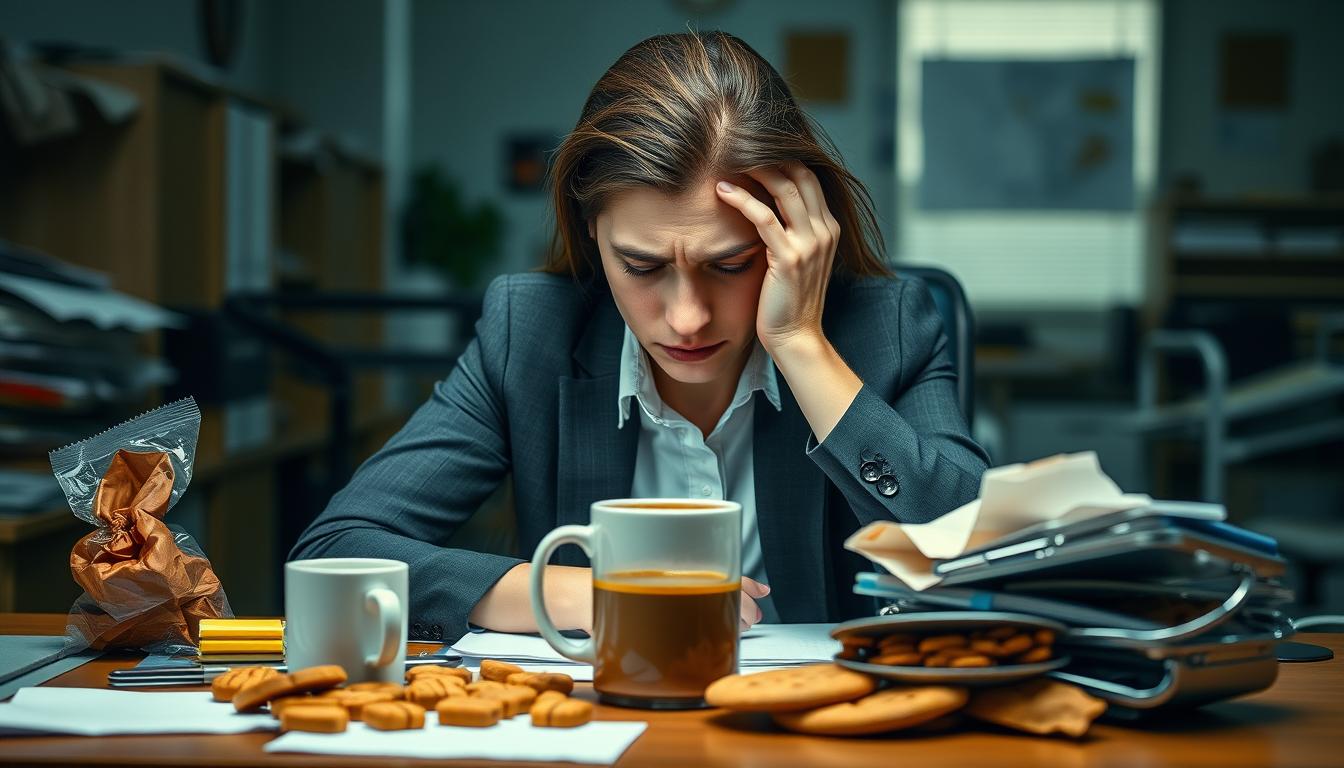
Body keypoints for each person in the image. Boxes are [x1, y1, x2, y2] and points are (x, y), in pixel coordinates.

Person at [290, 31, 990, 645]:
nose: (686, 318)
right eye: (643, 266)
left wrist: (802, 343)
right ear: (592, 234)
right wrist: (594, 594)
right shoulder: (529, 333)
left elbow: (982, 560)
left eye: (731, 265)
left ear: (794, 238)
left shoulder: (886, 328)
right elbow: (333, 553)